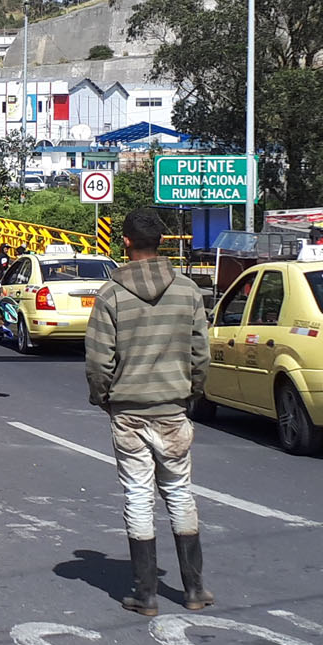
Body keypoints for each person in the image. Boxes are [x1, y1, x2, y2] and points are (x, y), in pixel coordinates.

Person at [84, 207, 212, 618]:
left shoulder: (111, 294)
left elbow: (99, 360)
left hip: (129, 411)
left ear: (124, 242)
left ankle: (146, 594)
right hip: (173, 409)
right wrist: (191, 392)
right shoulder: (188, 290)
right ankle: (193, 589)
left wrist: (104, 397)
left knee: (138, 494)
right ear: (162, 242)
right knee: (179, 491)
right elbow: (200, 354)